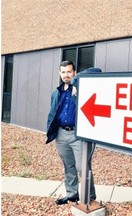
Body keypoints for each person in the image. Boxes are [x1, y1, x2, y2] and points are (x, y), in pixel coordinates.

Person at [46, 60, 96, 205]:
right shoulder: (56, 92)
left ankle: (90, 196)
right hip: (61, 134)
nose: (66, 75)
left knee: (83, 167)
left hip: (77, 134)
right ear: (59, 74)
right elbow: (53, 112)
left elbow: (96, 70)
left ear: (74, 72)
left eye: (69, 72)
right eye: (63, 72)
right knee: (68, 166)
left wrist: (76, 82)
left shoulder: (80, 87)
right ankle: (72, 194)